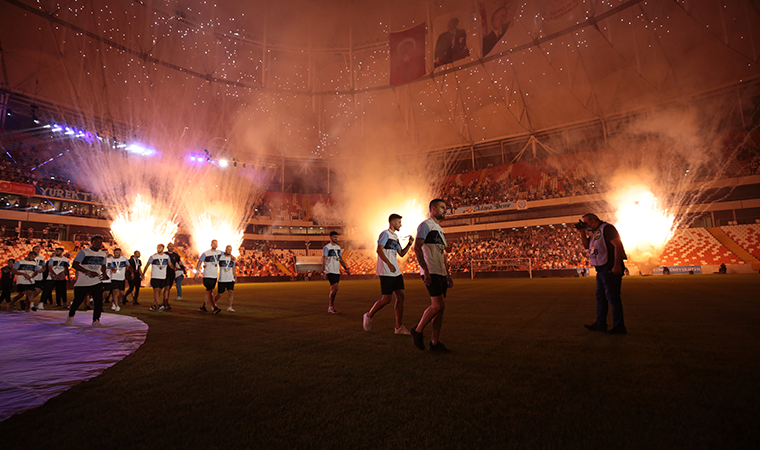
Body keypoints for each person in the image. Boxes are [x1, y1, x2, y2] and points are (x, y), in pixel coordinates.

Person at [410, 199, 453, 353]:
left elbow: (444, 254)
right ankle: (418, 330)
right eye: (442, 207)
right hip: (431, 271)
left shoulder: (440, 230)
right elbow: (417, 247)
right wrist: (425, 270)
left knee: (441, 308)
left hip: (440, 272)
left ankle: (435, 343)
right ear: (433, 209)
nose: (445, 210)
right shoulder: (425, 225)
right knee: (437, 306)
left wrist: (447, 274)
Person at [576, 213, 628, 335]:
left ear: (594, 221)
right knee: (601, 297)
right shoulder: (595, 232)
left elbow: (618, 245)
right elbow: (586, 246)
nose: (586, 225)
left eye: (586, 223)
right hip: (601, 269)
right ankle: (601, 323)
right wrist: (582, 232)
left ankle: (619, 326)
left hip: (609, 267)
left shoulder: (607, 228)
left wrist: (617, 265)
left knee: (612, 297)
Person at [363, 214, 414, 335]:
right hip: (386, 271)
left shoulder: (395, 237)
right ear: (392, 222)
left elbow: (401, 253)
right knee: (386, 299)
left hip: (396, 271)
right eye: (399, 222)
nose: (400, 224)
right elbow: (379, 250)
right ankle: (368, 315)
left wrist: (409, 244)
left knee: (401, 296)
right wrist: (389, 263)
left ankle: (398, 327)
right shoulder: (384, 234)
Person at [65, 235, 108, 327]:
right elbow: (75, 265)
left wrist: (104, 273)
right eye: (96, 242)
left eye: (100, 242)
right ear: (92, 242)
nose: (99, 244)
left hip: (96, 281)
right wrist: (88, 272)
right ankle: (70, 316)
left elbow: (103, 265)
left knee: (98, 301)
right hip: (83, 282)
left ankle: (96, 320)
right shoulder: (83, 252)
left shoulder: (103, 254)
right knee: (77, 301)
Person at [322, 231, 351, 314]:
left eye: (336, 237)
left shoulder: (338, 247)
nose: (336, 238)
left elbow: (341, 259)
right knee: (335, 288)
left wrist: (346, 268)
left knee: (333, 289)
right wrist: (323, 271)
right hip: (329, 270)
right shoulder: (327, 247)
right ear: (330, 237)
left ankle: (331, 307)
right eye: (334, 237)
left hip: (336, 271)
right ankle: (331, 306)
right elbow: (324, 259)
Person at [143, 244, 174, 312]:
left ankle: (153, 306)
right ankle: (159, 305)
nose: (158, 249)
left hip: (163, 277)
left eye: (160, 247)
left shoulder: (167, 256)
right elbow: (147, 265)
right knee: (156, 291)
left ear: (163, 248)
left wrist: (174, 268)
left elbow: (170, 264)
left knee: (159, 292)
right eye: (158, 248)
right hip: (155, 277)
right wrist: (143, 273)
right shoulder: (153, 257)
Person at [196, 240, 222, 314]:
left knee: (209, 291)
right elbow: (199, 262)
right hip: (207, 275)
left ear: (217, 245)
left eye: (216, 244)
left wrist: (232, 257)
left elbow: (227, 254)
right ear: (211, 244)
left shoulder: (219, 252)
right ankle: (214, 308)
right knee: (210, 291)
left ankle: (202, 307)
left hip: (214, 275)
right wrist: (196, 273)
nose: (215, 245)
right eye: (213, 243)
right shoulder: (206, 253)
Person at [215, 245, 236, 312]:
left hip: (230, 279)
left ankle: (229, 307)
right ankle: (213, 303)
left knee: (231, 293)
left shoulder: (232, 259)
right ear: (225, 250)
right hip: (222, 279)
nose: (229, 251)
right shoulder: (221, 257)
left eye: (230, 249)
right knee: (220, 294)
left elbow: (233, 268)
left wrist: (235, 276)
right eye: (228, 249)